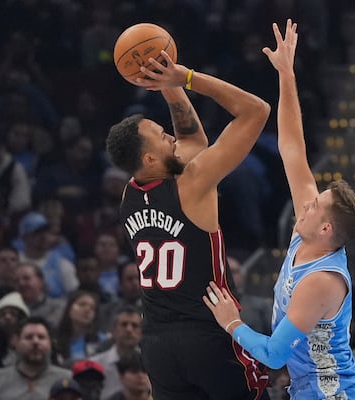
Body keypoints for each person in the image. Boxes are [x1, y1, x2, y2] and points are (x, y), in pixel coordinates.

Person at [203, 20, 355, 399]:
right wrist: (286, 74)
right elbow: (292, 149)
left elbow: (275, 355)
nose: (305, 203)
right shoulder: (307, 229)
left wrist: (232, 323)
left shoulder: (321, 281)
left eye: (315, 206)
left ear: (327, 229)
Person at [105, 40, 271, 398]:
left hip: (158, 346)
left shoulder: (129, 195)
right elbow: (256, 110)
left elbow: (191, 137)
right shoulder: (194, 182)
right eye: (161, 137)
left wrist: (169, 85)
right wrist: (189, 77)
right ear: (150, 159)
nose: (170, 135)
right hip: (208, 332)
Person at [0, 316, 72, 399]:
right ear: (16, 342)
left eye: (41, 337)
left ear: (50, 343)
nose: (35, 342)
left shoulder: (68, 379)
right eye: (29, 337)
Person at [91, 305, 142, 400]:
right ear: (113, 330)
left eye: (134, 325)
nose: (129, 330)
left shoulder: (151, 365)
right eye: (124, 324)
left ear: (141, 332)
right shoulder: (95, 365)